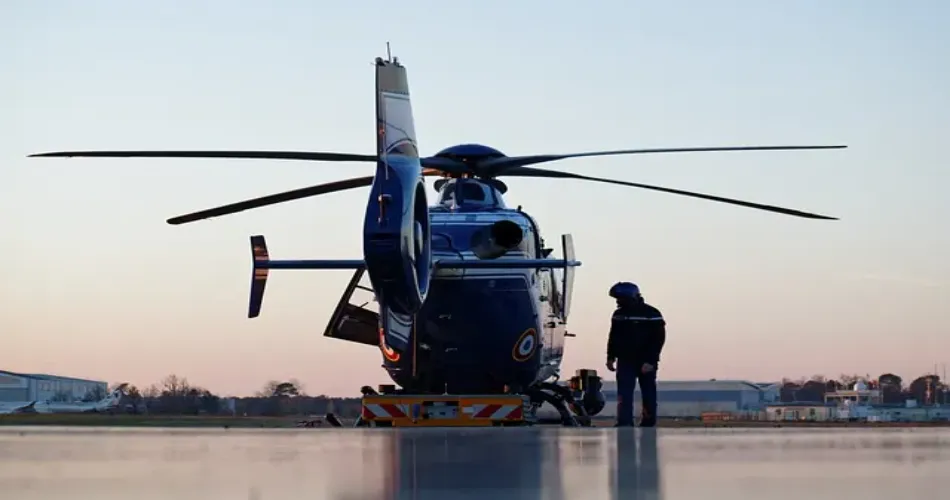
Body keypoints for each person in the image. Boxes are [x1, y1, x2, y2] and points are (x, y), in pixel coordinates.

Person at [605, 282, 667, 427]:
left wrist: (650, 361)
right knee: (624, 393)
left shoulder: (652, 314)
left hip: (646, 360)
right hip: (625, 360)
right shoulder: (618, 315)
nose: (618, 302)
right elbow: (613, 336)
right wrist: (610, 356)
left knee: (648, 392)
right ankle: (624, 422)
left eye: (620, 298)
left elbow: (658, 340)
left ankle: (648, 421)